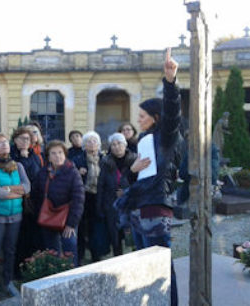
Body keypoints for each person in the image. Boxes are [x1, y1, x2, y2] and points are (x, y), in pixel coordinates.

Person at [124, 48, 180, 305]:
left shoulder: (166, 137)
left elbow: (172, 114)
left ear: (155, 118)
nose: (138, 119)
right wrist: (131, 171)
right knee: (145, 265)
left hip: (157, 208)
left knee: (161, 267)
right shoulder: (144, 140)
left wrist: (170, 82)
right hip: (140, 207)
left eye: (142, 116)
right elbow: (137, 176)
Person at [0, 133, 30, 303]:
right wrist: (15, 192)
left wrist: (8, 190)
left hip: (15, 215)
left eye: (6, 143)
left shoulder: (18, 166)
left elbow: (27, 187)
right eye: (0, 143)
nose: (4, 146)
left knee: (10, 250)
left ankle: (8, 282)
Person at [32, 140, 84, 265]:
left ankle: (72, 277)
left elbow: (79, 199)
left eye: (60, 152)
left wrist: (71, 223)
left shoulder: (73, 172)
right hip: (48, 217)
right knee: (52, 252)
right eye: (53, 153)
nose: (58, 156)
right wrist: (41, 212)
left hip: (67, 219)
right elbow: (36, 194)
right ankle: (55, 279)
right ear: (48, 157)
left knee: (69, 250)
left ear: (65, 154)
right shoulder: (43, 173)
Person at [96, 133, 137, 257]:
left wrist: (127, 192)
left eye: (119, 143)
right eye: (113, 144)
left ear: (125, 145)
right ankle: (118, 260)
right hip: (111, 204)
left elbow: (140, 182)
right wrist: (99, 207)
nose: (116, 147)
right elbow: (101, 185)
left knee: (132, 236)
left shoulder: (134, 159)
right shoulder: (105, 161)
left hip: (131, 203)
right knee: (115, 237)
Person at [72, 131, 109, 264]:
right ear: (84, 145)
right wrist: (78, 172)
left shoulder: (105, 159)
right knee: (81, 228)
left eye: (94, 141)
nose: (91, 143)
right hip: (83, 197)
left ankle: (96, 255)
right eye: (88, 141)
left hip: (98, 197)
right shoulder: (78, 159)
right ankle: (80, 255)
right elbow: (72, 175)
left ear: (99, 144)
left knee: (96, 227)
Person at [9, 126, 42, 275]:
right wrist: (22, 157)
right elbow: (18, 174)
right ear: (15, 140)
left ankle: (32, 266)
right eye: (21, 138)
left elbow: (39, 174)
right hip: (18, 200)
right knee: (19, 236)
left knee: (34, 235)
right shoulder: (12, 155)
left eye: (27, 139)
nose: (25, 141)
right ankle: (17, 269)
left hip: (34, 200)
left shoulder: (34, 155)